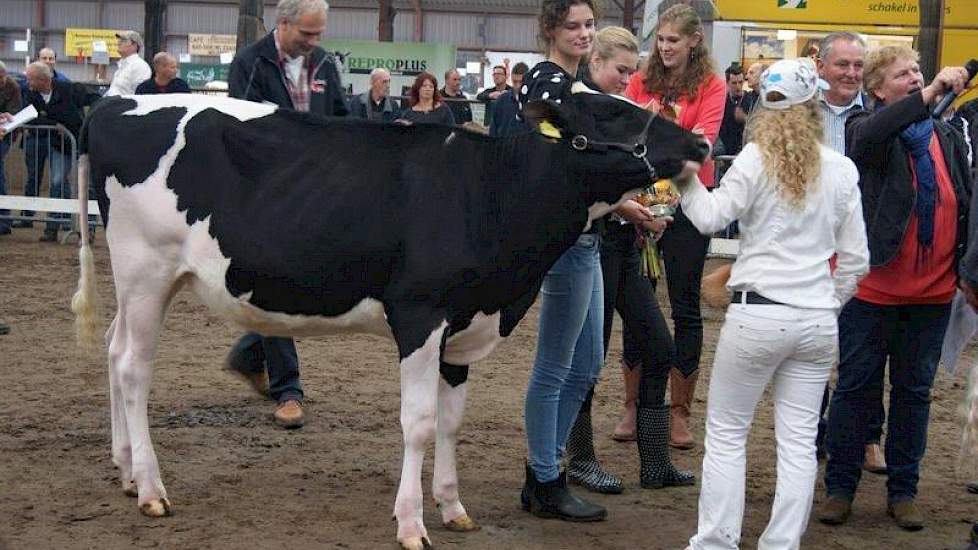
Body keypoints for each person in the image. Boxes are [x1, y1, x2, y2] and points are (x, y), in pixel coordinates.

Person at [680, 58, 869, 550]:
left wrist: (685, 179)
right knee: (799, 441)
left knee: (726, 433)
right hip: (814, 318)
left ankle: (717, 541)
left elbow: (707, 217)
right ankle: (781, 543)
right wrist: (827, 303)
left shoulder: (753, 159)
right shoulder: (842, 170)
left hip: (758, 311)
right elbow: (856, 261)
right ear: (815, 107)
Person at [819, 47, 973, 531]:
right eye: (904, 74)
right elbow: (872, 135)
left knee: (914, 395)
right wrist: (928, 93)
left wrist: (964, 271)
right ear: (879, 89)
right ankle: (840, 488)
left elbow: (963, 202)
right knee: (856, 391)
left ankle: (903, 490)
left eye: (919, 72)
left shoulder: (946, 136)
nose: (916, 78)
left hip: (930, 296)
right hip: (872, 292)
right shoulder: (868, 129)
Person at [564, 25, 694, 496]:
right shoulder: (580, 108)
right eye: (621, 70)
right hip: (591, 246)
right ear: (595, 61)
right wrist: (627, 205)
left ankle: (655, 462)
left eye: (630, 72)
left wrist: (645, 205)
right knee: (588, 358)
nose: (626, 79)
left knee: (658, 345)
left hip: (620, 247)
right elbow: (582, 175)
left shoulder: (617, 110)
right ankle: (579, 460)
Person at [226, 0, 348, 429]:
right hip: (268, 195)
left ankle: (248, 352)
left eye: (319, 34)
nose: (314, 43)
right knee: (278, 285)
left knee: (306, 284)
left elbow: (341, 120)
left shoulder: (325, 66)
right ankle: (288, 388)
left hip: (315, 195)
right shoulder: (251, 63)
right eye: (307, 34)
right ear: (283, 24)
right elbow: (241, 129)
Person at [623, 2, 726, 450]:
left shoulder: (712, 84)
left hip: (688, 202)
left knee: (685, 305)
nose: (664, 48)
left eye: (672, 41)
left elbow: (699, 145)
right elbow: (626, 131)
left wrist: (656, 128)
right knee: (637, 301)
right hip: (642, 200)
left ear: (694, 41)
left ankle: (679, 411)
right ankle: (633, 405)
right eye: (660, 40)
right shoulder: (641, 78)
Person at [519, 0, 606, 522]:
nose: (584, 33)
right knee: (555, 365)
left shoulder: (571, 83)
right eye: (573, 25)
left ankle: (545, 469)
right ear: (550, 30)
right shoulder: (547, 83)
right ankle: (545, 478)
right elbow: (568, 162)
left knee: (587, 362)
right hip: (565, 239)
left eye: (589, 24)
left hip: (586, 236)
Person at [812, 31, 887, 471]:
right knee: (815, 339)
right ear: (821, 67)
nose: (851, 74)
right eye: (843, 65)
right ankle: (814, 430)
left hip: (859, 240)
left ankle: (867, 435)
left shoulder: (879, 113)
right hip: (812, 242)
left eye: (858, 66)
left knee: (864, 345)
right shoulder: (800, 110)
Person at [21, 62, 86, 243]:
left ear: (43, 80)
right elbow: (29, 117)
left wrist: (49, 119)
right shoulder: (31, 94)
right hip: (58, 145)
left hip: (80, 143)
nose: (27, 82)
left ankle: (87, 229)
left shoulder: (67, 89)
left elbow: (81, 108)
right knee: (57, 182)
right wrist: (53, 125)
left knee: (87, 185)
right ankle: (53, 226)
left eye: (30, 79)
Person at [0, 61, 21, 236]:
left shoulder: (12, 86)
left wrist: (8, 116)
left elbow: (15, 111)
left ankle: (4, 220)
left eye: (1, 77)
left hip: (4, 136)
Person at [488, 62, 529, 137]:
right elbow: (494, 129)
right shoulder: (502, 100)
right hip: (504, 146)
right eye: (515, 82)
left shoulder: (533, 101)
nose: (517, 86)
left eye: (521, 82)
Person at [105, 30, 151, 97]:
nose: (119, 43)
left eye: (124, 40)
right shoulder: (123, 66)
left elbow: (140, 94)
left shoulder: (140, 66)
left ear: (134, 45)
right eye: (119, 40)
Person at [716, 63, 747, 157]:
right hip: (724, 147)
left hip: (743, 149)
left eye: (740, 82)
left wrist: (745, 118)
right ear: (727, 83)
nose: (738, 86)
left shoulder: (750, 99)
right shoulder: (721, 101)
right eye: (734, 83)